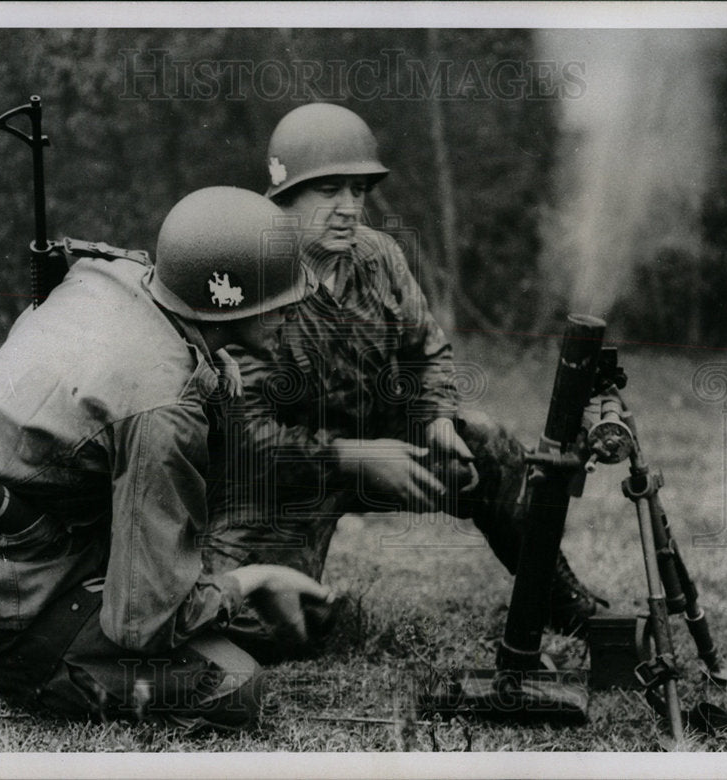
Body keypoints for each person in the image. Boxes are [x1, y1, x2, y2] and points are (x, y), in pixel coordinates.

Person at [0, 186, 331, 730]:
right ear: (229, 298)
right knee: (231, 684)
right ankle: (10, 661)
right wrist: (255, 580)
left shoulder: (109, 276)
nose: (294, 313)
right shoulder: (163, 407)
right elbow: (142, 623)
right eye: (279, 303)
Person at [204, 104, 604, 661]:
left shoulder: (379, 257)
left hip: (388, 446)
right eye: (329, 191)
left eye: (359, 190)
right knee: (263, 631)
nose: (348, 209)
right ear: (284, 196)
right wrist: (353, 457)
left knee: (484, 443)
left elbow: (427, 353)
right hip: (283, 478)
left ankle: (554, 596)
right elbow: (245, 441)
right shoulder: (254, 274)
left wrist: (437, 417)